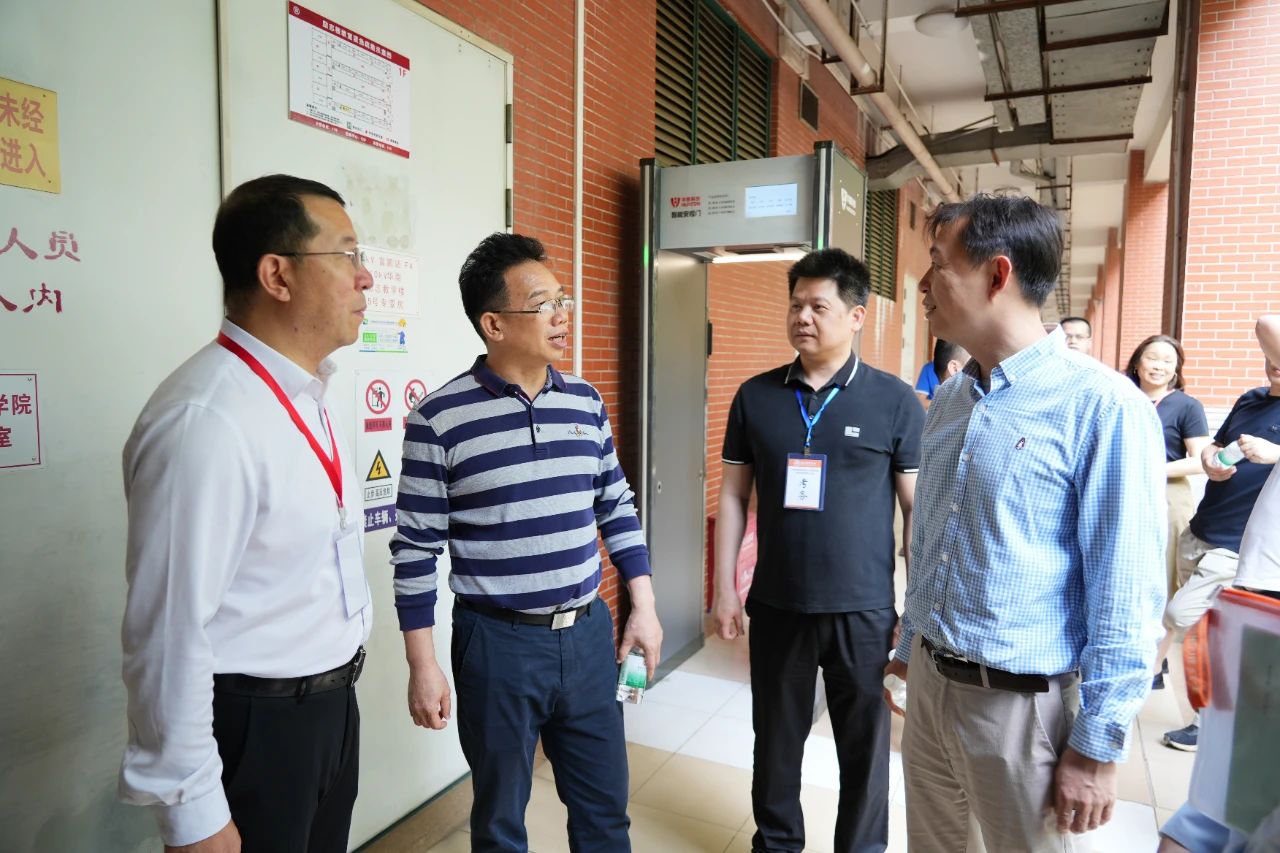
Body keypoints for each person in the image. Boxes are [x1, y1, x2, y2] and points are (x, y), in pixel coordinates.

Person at [886, 193, 1166, 852]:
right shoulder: (951, 398)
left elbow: (1125, 589)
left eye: (937, 263)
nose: (923, 284)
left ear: (997, 274)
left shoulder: (1103, 406)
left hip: (1019, 710)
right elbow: (933, 535)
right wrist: (907, 650)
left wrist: (1097, 745)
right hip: (929, 688)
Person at [119, 175, 375, 852]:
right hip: (257, 730)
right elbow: (167, 634)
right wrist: (194, 814)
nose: (366, 276)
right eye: (346, 255)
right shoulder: (206, 419)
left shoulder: (304, 394)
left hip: (326, 711)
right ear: (277, 275)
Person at [390, 232, 662, 852]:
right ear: (494, 324)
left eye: (563, 299)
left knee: (604, 813)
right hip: (497, 646)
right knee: (499, 823)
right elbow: (415, 550)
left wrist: (643, 605)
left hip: (587, 634)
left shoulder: (585, 402)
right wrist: (422, 665)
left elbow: (616, 505)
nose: (563, 315)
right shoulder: (439, 419)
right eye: (543, 304)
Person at [712, 247, 924, 853]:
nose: (803, 316)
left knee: (864, 749)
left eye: (819, 306)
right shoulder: (755, 396)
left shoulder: (894, 400)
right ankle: (777, 844)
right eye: (796, 304)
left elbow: (916, 511)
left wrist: (915, 609)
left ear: (856, 316)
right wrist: (726, 589)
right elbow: (734, 496)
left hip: (863, 610)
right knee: (776, 743)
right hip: (777, 604)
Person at [1159, 318, 1280, 851]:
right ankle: (1205, 727)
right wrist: (1213, 458)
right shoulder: (1253, 399)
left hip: (1249, 569)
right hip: (1218, 539)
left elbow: (1268, 324)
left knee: (1179, 619)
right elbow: (1214, 448)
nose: (1272, 366)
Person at [1124, 336, 1210, 602]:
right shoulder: (1119, 397)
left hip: (1167, 494)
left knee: (1163, 570)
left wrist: (1151, 470)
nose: (1158, 366)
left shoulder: (1187, 406)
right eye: (1152, 358)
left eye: (1167, 361)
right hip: (1121, 490)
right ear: (1137, 363)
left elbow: (1200, 460)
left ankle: (1161, 628)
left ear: (1176, 369)